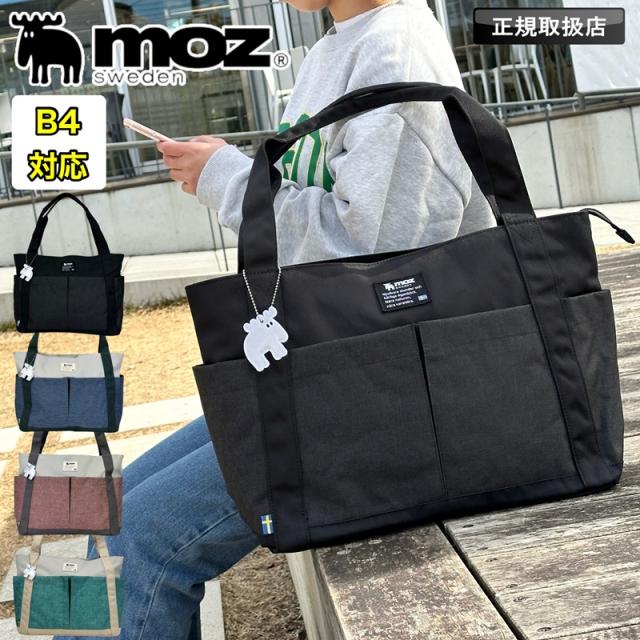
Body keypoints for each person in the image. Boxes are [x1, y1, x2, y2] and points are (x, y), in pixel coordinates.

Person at [54, 1, 493, 638]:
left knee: (134, 544)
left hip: (391, 394)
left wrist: (231, 181)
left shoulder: (396, 47)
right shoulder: (336, 47)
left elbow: (379, 263)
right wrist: (230, 169)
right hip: (331, 368)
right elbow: (317, 206)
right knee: (112, 510)